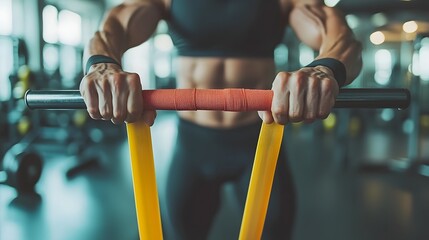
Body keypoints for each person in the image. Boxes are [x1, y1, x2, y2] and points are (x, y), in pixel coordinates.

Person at [80, 0, 362, 239]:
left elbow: (336, 32)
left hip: (259, 144)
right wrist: (103, 62)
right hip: (193, 144)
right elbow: (117, 23)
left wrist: (326, 67)